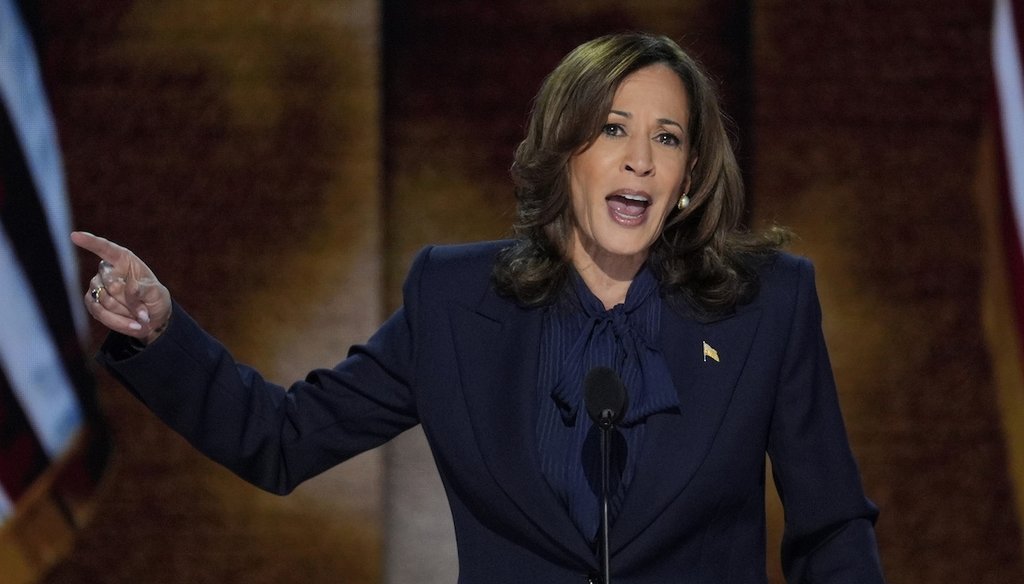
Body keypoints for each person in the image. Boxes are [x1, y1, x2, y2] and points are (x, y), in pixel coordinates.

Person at [71, 32, 885, 583]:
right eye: (612, 128)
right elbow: (281, 441)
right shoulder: (456, 302)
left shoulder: (765, 306)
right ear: (564, 148)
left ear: (689, 173)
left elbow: (833, 532)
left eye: (668, 138)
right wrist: (161, 334)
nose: (640, 159)